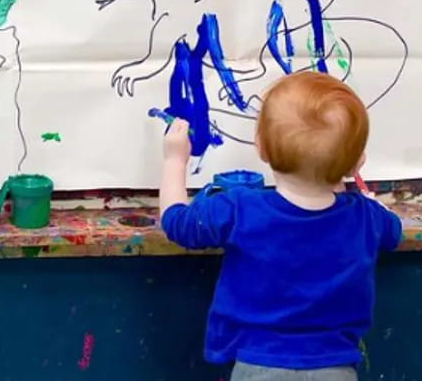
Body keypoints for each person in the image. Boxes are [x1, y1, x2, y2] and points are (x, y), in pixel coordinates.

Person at [160, 71, 401, 380]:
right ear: (357, 164)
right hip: (337, 370)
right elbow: (393, 231)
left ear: (261, 147)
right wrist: (370, 203)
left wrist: (174, 161)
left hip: (259, 368)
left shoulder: (240, 209)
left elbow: (178, 222)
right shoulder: (367, 217)